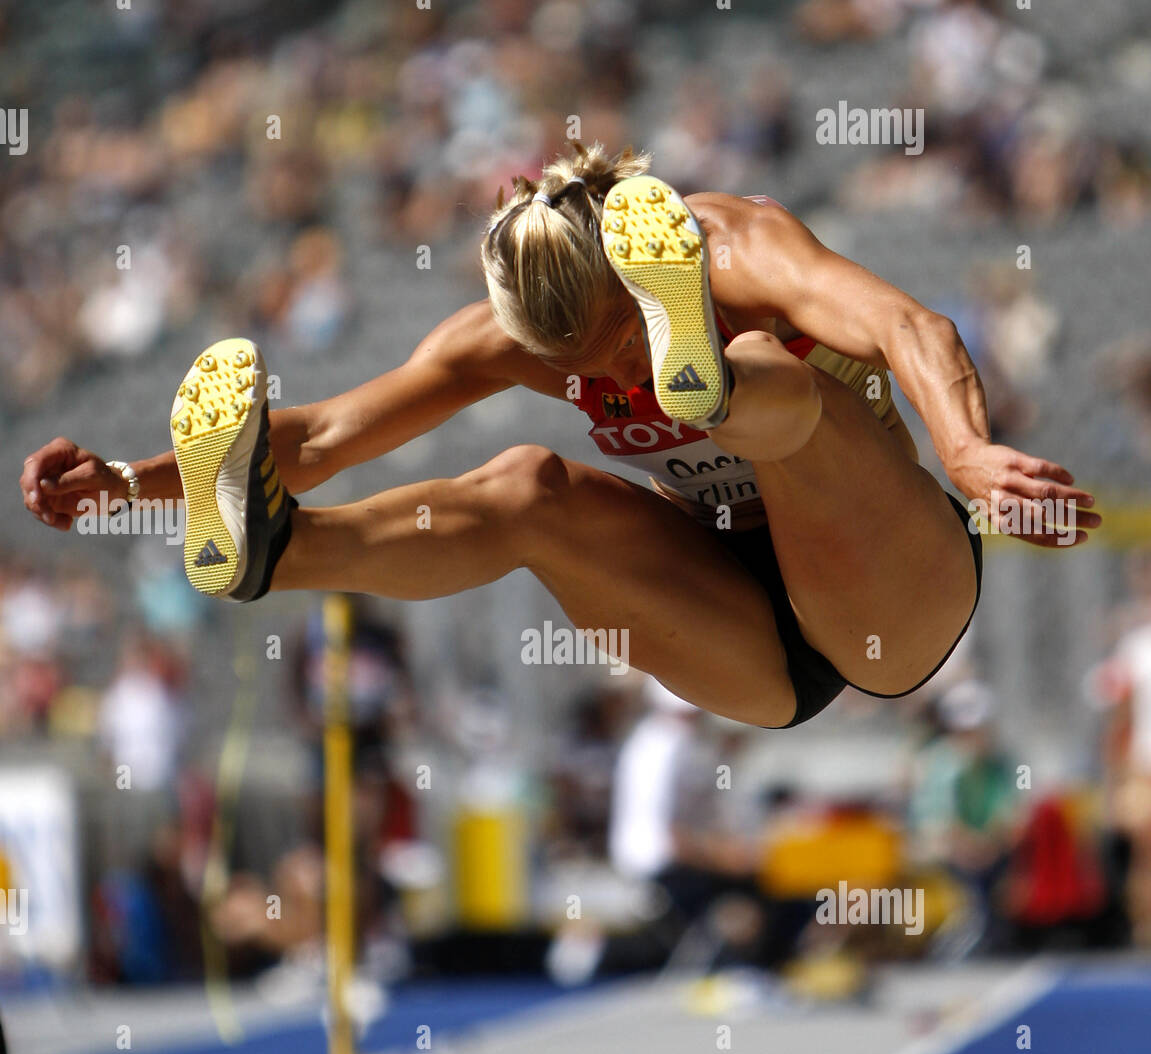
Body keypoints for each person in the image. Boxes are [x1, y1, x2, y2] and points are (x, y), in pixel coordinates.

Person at [20, 142, 1099, 730]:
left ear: (645, 274)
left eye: (625, 342)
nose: (606, 376)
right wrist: (128, 486)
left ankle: (716, 383)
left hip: (888, 587)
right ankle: (275, 550)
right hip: (751, 639)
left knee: (777, 376)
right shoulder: (517, 334)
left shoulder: (736, 244)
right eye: (578, 362)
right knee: (524, 485)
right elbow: (326, 430)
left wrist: (964, 451)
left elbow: (907, 324)